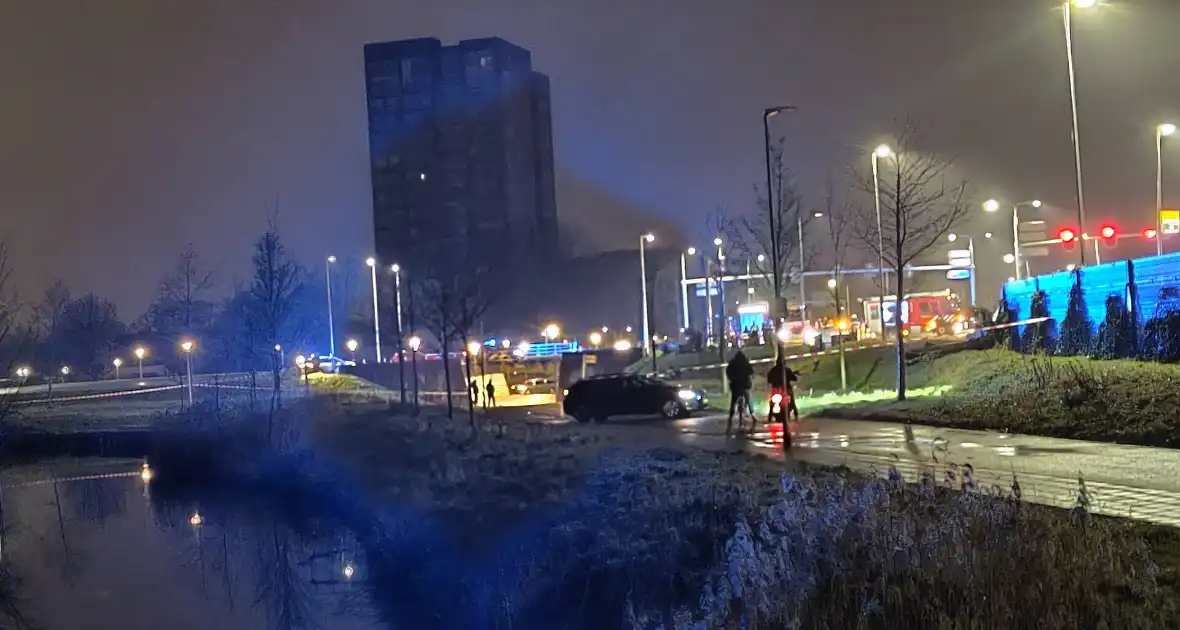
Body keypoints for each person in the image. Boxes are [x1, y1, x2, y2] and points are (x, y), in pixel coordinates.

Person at [725, 350, 754, 433]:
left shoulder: (732, 363)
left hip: (735, 386)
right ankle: (752, 414)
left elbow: (728, 372)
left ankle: (730, 417)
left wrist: (732, 379)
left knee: (733, 402)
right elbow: (751, 371)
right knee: (748, 399)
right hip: (744, 385)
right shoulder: (745, 362)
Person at [767, 358, 799, 422]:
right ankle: (796, 415)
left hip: (776, 389)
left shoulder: (773, 370)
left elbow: (769, 380)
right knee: (792, 400)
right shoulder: (786, 370)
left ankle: (770, 417)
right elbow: (794, 378)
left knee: (772, 403)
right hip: (786, 389)